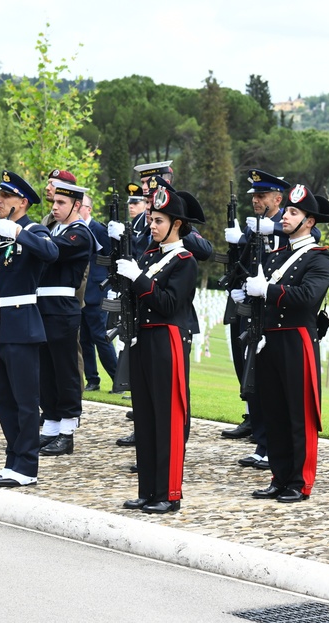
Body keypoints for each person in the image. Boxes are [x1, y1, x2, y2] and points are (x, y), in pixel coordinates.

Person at [238, 184, 329, 503]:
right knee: (274, 411)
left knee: (298, 413)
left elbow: (308, 298)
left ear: (309, 221)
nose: (286, 216)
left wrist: (267, 291)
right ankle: (279, 476)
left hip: (296, 341)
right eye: (288, 210)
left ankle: (299, 481)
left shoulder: (319, 258)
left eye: (294, 212)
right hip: (269, 340)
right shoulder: (276, 254)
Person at [116, 184, 200, 514]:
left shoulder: (184, 261)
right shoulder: (150, 255)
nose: (152, 226)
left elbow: (167, 303)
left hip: (167, 340)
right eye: (151, 219)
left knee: (168, 417)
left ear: (177, 224)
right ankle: (148, 490)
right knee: (146, 417)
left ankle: (169, 492)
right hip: (142, 339)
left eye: (159, 221)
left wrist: (138, 279)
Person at [0, 170, 57, 488]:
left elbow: (51, 253)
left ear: (21, 203)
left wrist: (17, 232)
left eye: (6, 196)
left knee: (26, 401)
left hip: (22, 324)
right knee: (3, 398)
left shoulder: (34, 231)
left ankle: (27, 465)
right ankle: (13, 460)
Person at [223, 169, 289, 471]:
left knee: (266, 380)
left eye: (262, 196)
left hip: (271, 312)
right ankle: (261, 441)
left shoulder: (287, 224)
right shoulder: (254, 226)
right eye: (255, 196)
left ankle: (268, 445)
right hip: (248, 309)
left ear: (278, 198)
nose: (256, 201)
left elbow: (308, 238)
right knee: (250, 375)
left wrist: (271, 230)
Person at [37, 180, 94, 457]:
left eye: (62, 203)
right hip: (43, 305)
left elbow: (52, 250)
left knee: (65, 369)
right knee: (46, 368)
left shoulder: (79, 233)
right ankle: (50, 425)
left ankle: (67, 430)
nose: (55, 207)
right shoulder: (52, 228)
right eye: (54, 202)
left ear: (76, 205)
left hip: (62, 307)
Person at [80, 192, 118, 392]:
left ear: (89, 209)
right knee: (84, 340)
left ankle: (118, 379)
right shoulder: (75, 229)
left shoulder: (98, 229)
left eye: (81, 205)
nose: (77, 208)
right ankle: (92, 379)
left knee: (101, 337)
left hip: (97, 291)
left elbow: (111, 257)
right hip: (80, 292)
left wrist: (109, 284)